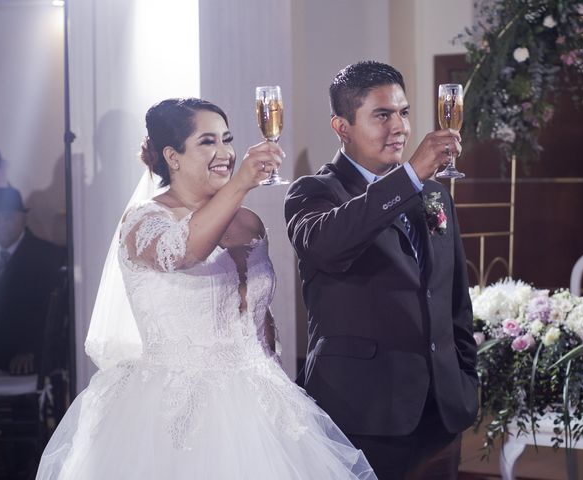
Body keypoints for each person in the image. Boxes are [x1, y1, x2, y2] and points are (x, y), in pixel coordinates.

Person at [36, 98, 376, 479]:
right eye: (207, 141)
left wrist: (278, 382)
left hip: (261, 402)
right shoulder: (144, 221)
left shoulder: (248, 222)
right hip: (177, 413)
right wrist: (242, 182)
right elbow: (184, 251)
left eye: (228, 140)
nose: (225, 153)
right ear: (173, 156)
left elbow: (260, 319)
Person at [284, 61, 478, 479]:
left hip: (442, 411)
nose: (400, 127)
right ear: (342, 126)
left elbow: (455, 301)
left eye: (404, 113)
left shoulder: (435, 196)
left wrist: (466, 380)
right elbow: (329, 245)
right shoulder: (314, 192)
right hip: (361, 413)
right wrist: (409, 177)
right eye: (382, 115)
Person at [0, 186, 65, 374]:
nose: (2, 223)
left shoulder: (48, 256)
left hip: (24, 361)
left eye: (9, 217)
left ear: (23, 219)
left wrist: (30, 351)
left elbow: (51, 313)